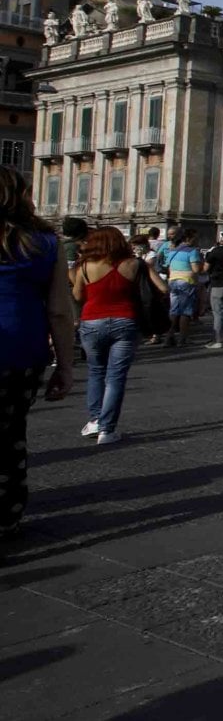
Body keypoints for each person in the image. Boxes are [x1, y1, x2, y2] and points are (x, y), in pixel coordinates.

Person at [0, 167, 75, 535]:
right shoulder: (45, 243)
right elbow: (60, 310)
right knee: (11, 435)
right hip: (21, 351)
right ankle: (7, 514)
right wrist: (65, 365)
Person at [71, 226, 163, 446]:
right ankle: (107, 429)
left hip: (92, 321)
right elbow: (163, 288)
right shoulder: (134, 264)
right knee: (116, 376)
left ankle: (95, 419)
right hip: (125, 321)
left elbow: (76, 295)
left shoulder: (85, 266)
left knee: (95, 371)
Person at [162, 229, 203, 347]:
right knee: (185, 311)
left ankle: (169, 337)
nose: (197, 240)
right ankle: (183, 338)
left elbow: (168, 267)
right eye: (195, 238)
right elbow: (196, 270)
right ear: (189, 238)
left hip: (173, 281)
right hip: (187, 282)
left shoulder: (172, 251)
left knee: (174, 310)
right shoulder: (192, 251)